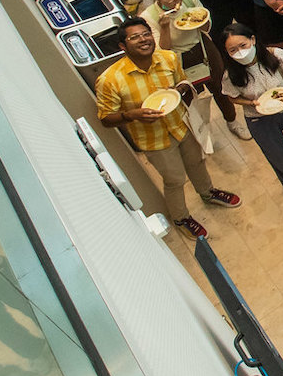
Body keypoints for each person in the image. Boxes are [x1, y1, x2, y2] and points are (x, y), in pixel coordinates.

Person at [94, 19, 240, 235]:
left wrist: (180, 90)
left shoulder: (168, 58)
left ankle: (208, 193)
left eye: (145, 34)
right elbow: (106, 118)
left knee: (197, 162)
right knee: (175, 179)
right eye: (135, 37)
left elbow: (182, 82)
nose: (143, 39)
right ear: (123, 46)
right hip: (153, 139)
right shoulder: (109, 80)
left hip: (181, 124)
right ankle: (181, 219)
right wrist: (131, 114)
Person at [217, 23, 283, 205]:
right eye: (233, 50)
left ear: (252, 39)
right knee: (277, 153)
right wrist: (251, 103)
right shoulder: (231, 74)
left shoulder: (274, 55)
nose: (240, 52)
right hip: (258, 117)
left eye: (243, 46)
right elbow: (232, 98)